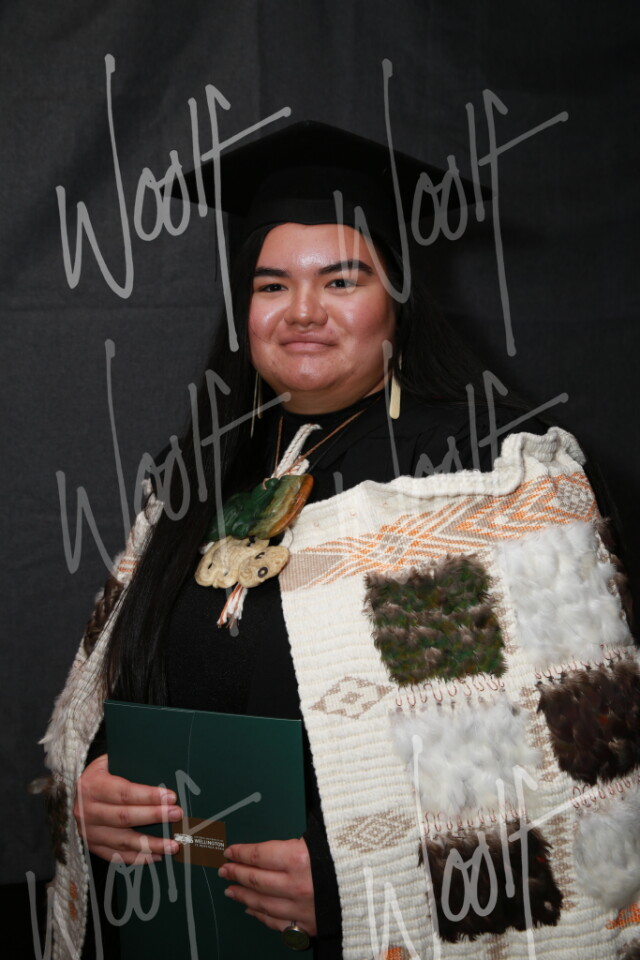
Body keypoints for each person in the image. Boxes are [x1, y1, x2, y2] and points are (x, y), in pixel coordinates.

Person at [42, 122, 639, 960]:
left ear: (397, 297)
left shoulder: (489, 476)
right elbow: (131, 681)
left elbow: (576, 773)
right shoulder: (198, 476)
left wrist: (362, 882)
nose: (302, 312)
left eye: (341, 279)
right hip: (188, 924)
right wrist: (98, 781)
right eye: (272, 284)